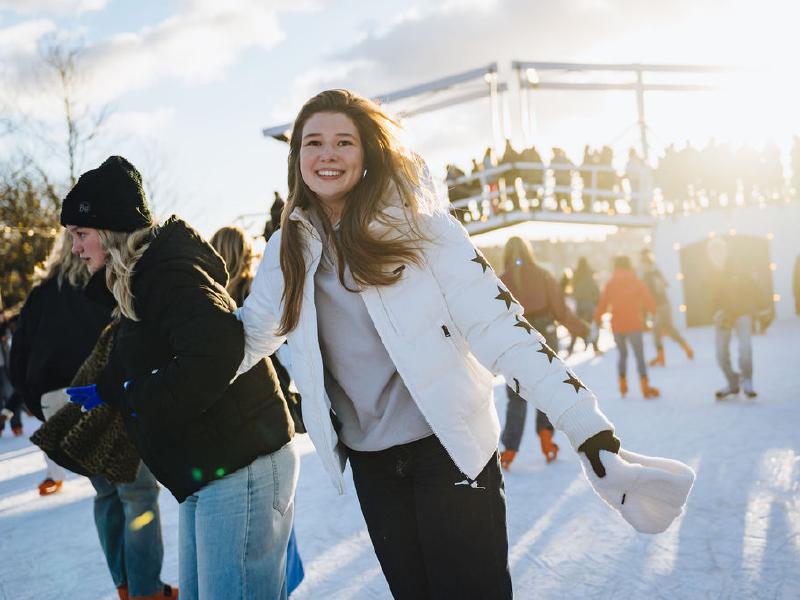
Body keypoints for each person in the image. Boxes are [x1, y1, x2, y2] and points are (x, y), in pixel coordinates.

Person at [236, 89, 694, 599]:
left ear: (367, 152)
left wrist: (587, 428)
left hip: (448, 450)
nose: (327, 155)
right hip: (373, 464)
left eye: (343, 142)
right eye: (313, 142)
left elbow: (504, 332)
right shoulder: (287, 251)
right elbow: (250, 335)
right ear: (296, 156)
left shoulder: (425, 232)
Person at [60, 156, 297, 600]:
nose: (75, 247)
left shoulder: (171, 276)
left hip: (242, 461)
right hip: (208, 467)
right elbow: (143, 356)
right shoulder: (137, 282)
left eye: (81, 234)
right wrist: (110, 387)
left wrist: (137, 397)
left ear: (110, 231)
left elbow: (215, 352)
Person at [209, 225, 305, 597]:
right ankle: (283, 583)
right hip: (270, 409)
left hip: (233, 421)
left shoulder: (212, 300)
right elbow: (283, 347)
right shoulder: (255, 293)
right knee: (278, 515)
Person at [8, 231, 112, 494]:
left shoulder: (40, 295)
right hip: (98, 392)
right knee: (132, 489)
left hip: (54, 395)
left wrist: (37, 401)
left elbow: (18, 356)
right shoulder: (103, 286)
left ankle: (56, 477)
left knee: (104, 490)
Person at [497, 237, 591, 470]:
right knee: (546, 392)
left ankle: (508, 451)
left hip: (514, 341)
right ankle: (547, 440)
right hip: (545, 340)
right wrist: (583, 329)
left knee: (516, 396)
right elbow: (561, 311)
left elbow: (493, 321)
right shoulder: (543, 275)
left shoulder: (499, 282)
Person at [594, 255, 660, 398]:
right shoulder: (636, 281)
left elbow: (603, 303)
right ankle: (645, 387)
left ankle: (622, 385)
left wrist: (597, 319)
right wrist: (654, 312)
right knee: (639, 355)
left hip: (617, 325)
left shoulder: (611, 283)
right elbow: (648, 298)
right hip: (634, 323)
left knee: (622, 355)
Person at [707, 237, 759, 399]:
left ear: (726, 251)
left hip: (741, 313)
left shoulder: (737, 268)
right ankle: (732, 382)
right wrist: (716, 312)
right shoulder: (710, 273)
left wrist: (758, 310)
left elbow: (750, 288)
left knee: (745, 348)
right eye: (713, 252)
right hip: (723, 317)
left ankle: (747, 380)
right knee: (721, 354)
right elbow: (708, 297)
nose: (717, 255)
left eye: (720, 250)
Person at [640, 249, 694, 367]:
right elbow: (665, 285)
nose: (642, 266)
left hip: (658, 306)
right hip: (664, 304)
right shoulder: (656, 272)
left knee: (657, 332)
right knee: (668, 329)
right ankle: (686, 348)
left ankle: (661, 357)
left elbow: (650, 292)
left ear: (646, 264)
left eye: (643, 264)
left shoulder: (649, 275)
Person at [568, 257, 602, 355]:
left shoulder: (576, 275)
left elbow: (573, 290)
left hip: (579, 304)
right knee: (593, 325)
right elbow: (595, 290)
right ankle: (595, 347)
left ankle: (570, 347)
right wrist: (597, 300)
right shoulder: (590, 274)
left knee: (578, 325)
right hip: (590, 304)